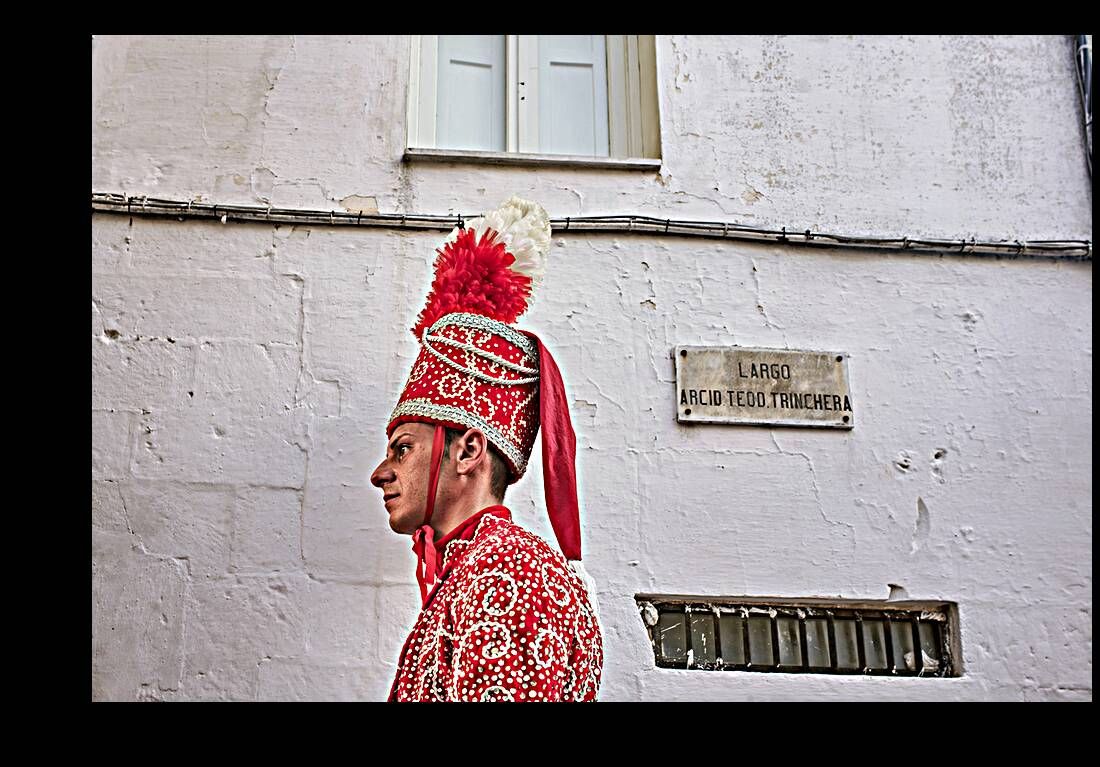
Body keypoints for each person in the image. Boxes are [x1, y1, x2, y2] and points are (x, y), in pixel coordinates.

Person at [370, 196, 603, 702]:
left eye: (403, 449)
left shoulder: (508, 576)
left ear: (469, 449)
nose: (381, 473)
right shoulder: (476, 571)